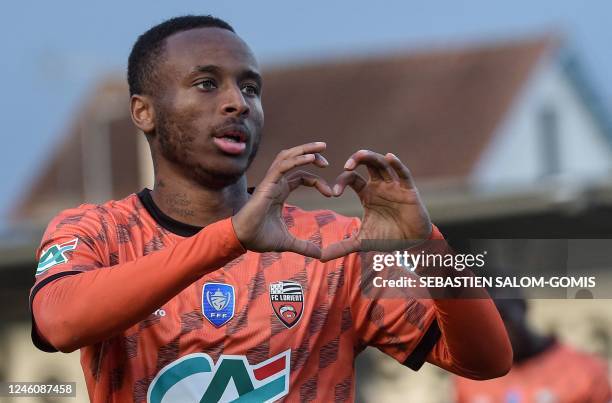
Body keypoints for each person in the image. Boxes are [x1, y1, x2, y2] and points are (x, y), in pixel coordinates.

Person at [29, 15, 512, 402]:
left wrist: (429, 246)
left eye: (251, 88)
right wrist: (232, 237)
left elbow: (486, 361)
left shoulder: (330, 246)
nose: (237, 102)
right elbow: (58, 322)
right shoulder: (98, 230)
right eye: (206, 84)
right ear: (143, 111)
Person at [454, 298, 611, 403]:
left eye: (503, 318)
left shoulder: (584, 371)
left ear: (521, 310)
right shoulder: (471, 378)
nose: (495, 333)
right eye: (482, 325)